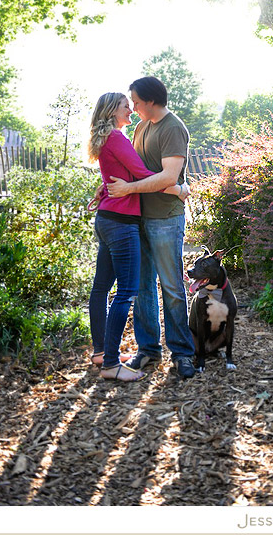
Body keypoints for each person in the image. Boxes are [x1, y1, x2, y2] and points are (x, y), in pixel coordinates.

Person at [87, 92, 187, 382]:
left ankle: (100, 351)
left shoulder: (109, 138)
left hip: (107, 218)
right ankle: (110, 363)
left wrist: (106, 187)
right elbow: (143, 173)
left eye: (132, 103)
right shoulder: (118, 137)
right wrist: (179, 190)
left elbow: (122, 174)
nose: (130, 109)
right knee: (127, 292)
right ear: (111, 111)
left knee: (101, 288)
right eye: (124, 105)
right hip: (122, 222)